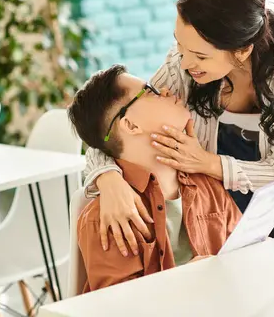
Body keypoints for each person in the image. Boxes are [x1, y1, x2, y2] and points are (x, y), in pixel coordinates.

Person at [84, 0, 274, 257]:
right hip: (215, 181)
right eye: (179, 44)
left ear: (242, 50)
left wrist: (207, 162)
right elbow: (107, 127)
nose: (184, 63)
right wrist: (108, 179)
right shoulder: (184, 60)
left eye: (201, 56)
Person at [68, 65, 241, 292]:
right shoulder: (109, 218)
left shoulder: (208, 186)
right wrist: (186, 280)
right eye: (150, 91)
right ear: (130, 125)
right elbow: (114, 306)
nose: (167, 91)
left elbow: (242, 254)